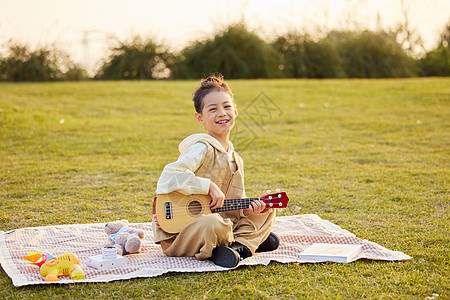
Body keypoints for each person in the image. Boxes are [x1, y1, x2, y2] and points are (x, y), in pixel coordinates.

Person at [152, 74, 278, 268]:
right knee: (212, 223)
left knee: (268, 210)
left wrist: (248, 209)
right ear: (200, 118)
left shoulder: (236, 159)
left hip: (224, 222)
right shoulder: (201, 147)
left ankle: (237, 248)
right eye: (213, 109)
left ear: (235, 111)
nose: (221, 113)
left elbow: (234, 202)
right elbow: (169, 176)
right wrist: (208, 186)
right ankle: (247, 243)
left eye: (227, 107)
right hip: (186, 231)